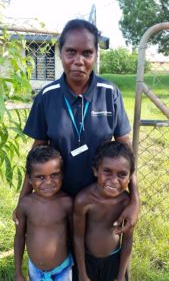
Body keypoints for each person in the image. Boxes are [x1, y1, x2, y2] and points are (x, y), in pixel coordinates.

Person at [14, 18, 139, 280]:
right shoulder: (47, 96)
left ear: (95, 55)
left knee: (106, 262)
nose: (78, 60)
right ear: (61, 53)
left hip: (104, 201)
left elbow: (126, 152)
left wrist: (135, 200)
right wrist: (21, 200)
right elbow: (36, 153)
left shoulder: (109, 93)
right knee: (72, 266)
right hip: (63, 200)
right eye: (71, 51)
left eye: (87, 53)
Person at [74, 140, 135, 281]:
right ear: (95, 170)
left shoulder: (127, 202)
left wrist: (120, 276)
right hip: (87, 260)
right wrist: (82, 274)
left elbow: (127, 240)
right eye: (107, 172)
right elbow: (77, 237)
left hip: (114, 260)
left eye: (121, 174)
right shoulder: (83, 200)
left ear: (130, 177)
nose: (114, 180)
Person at [14, 145, 73, 281]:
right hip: (35, 270)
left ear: (62, 175)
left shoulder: (67, 203)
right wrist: (18, 272)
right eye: (40, 177)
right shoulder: (25, 205)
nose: (48, 182)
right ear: (29, 179)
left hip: (62, 270)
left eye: (54, 175)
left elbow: (74, 235)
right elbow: (19, 237)